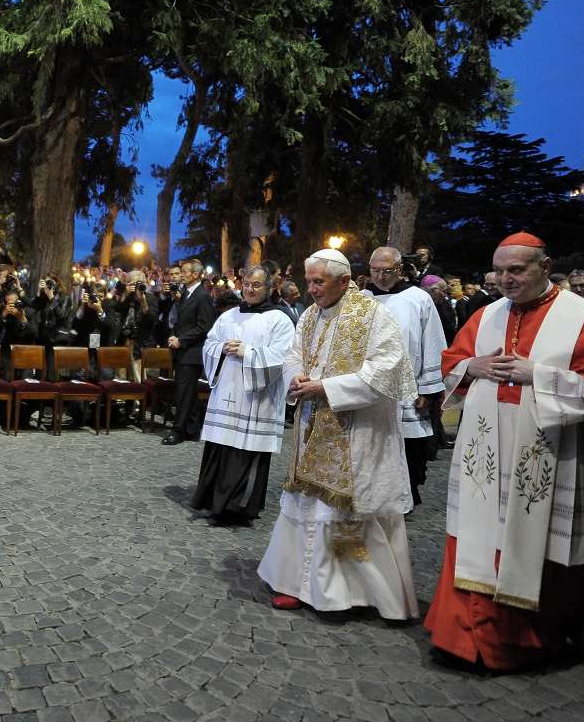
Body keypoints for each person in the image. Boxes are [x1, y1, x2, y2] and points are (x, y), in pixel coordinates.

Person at [425, 232, 584, 670]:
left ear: (545, 266)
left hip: (550, 455)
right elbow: (451, 363)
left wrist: (536, 375)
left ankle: (521, 640)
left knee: (534, 537)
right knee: (477, 536)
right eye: (499, 270)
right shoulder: (486, 314)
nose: (505, 279)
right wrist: (472, 366)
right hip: (487, 450)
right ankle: (462, 633)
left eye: (516, 270)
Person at [258, 248, 419, 620]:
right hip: (313, 426)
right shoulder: (310, 315)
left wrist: (327, 388)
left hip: (355, 431)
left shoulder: (373, 315)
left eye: (319, 281)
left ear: (344, 281)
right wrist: (295, 377)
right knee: (307, 504)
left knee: (343, 511)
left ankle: (352, 593)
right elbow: (293, 355)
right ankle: (297, 584)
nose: (311, 289)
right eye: (309, 281)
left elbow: (387, 371)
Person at [191, 266, 295, 525]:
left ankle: (237, 509)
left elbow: (284, 356)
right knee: (220, 447)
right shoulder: (229, 316)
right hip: (227, 393)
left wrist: (247, 352)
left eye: (256, 285)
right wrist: (221, 348)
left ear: (269, 288)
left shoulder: (279, 320)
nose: (249, 289)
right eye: (246, 284)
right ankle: (213, 502)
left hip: (256, 400)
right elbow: (209, 342)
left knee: (246, 452)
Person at [364, 247, 448, 506]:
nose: (380, 276)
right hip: (368, 387)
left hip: (407, 387)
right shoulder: (361, 299)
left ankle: (406, 495)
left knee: (409, 446)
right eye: (375, 270)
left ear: (399, 269)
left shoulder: (418, 298)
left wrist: (427, 390)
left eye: (386, 271)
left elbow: (432, 342)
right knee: (371, 444)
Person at [162, 259, 216, 445]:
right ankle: (192, 430)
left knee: (183, 393)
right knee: (189, 394)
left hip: (192, 352)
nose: (181, 274)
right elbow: (182, 321)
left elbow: (204, 326)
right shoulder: (186, 293)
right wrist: (174, 335)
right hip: (183, 351)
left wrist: (181, 340)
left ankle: (177, 432)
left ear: (195, 274)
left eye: (185, 271)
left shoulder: (202, 295)